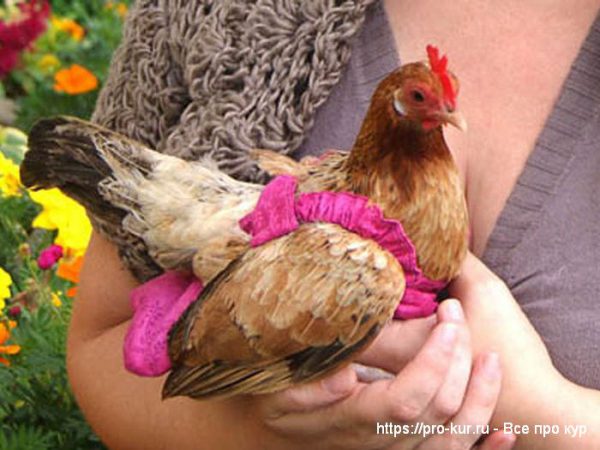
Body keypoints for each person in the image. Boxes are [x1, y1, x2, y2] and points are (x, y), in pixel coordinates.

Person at [67, 0, 600, 448]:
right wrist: (251, 432)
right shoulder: (217, 13)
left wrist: (545, 415)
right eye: (421, 99)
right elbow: (100, 344)